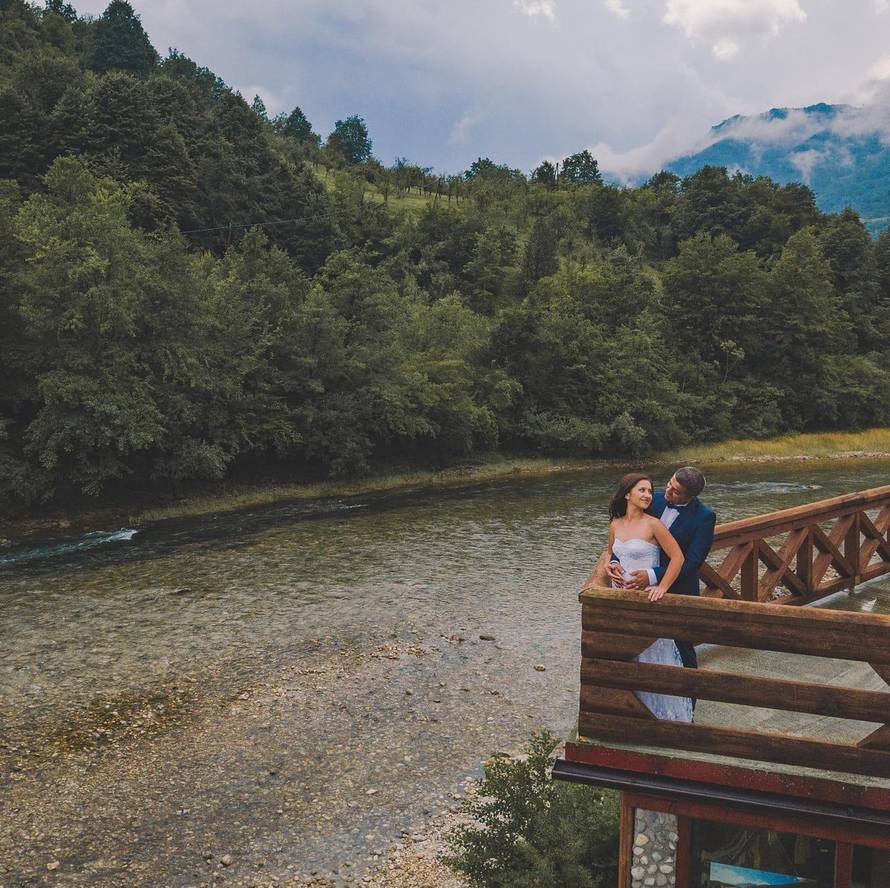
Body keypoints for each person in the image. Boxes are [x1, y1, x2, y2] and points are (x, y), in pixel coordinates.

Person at [607, 466, 716, 670]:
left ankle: (688, 696)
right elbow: (626, 537)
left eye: (675, 491)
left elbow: (692, 562)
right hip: (634, 592)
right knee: (635, 646)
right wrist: (613, 561)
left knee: (682, 648)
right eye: (669, 483)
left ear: (689, 496)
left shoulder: (704, 517)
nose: (668, 491)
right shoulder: (651, 499)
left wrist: (652, 576)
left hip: (678, 590)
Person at [605, 472, 693, 721]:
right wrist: (608, 566)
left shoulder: (654, 524)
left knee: (651, 655)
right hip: (620, 599)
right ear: (627, 494)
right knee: (626, 654)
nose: (647, 495)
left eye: (648, 490)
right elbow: (610, 553)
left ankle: (662, 717)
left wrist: (662, 587)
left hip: (645, 601)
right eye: (641, 490)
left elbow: (678, 558)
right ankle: (628, 713)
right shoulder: (616, 524)